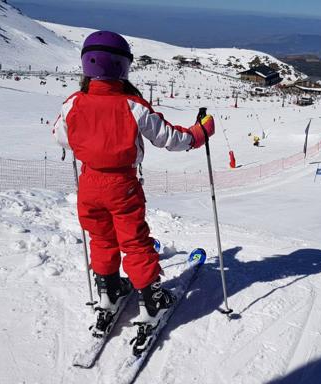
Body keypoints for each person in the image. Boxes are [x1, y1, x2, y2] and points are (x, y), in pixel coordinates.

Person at [52, 31, 215, 332]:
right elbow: (170, 138)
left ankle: (110, 290)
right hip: (121, 185)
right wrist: (200, 133)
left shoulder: (73, 103)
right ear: (122, 65)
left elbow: (61, 137)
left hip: (88, 183)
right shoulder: (132, 105)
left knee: (102, 238)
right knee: (134, 241)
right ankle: (152, 301)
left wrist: (91, 140)